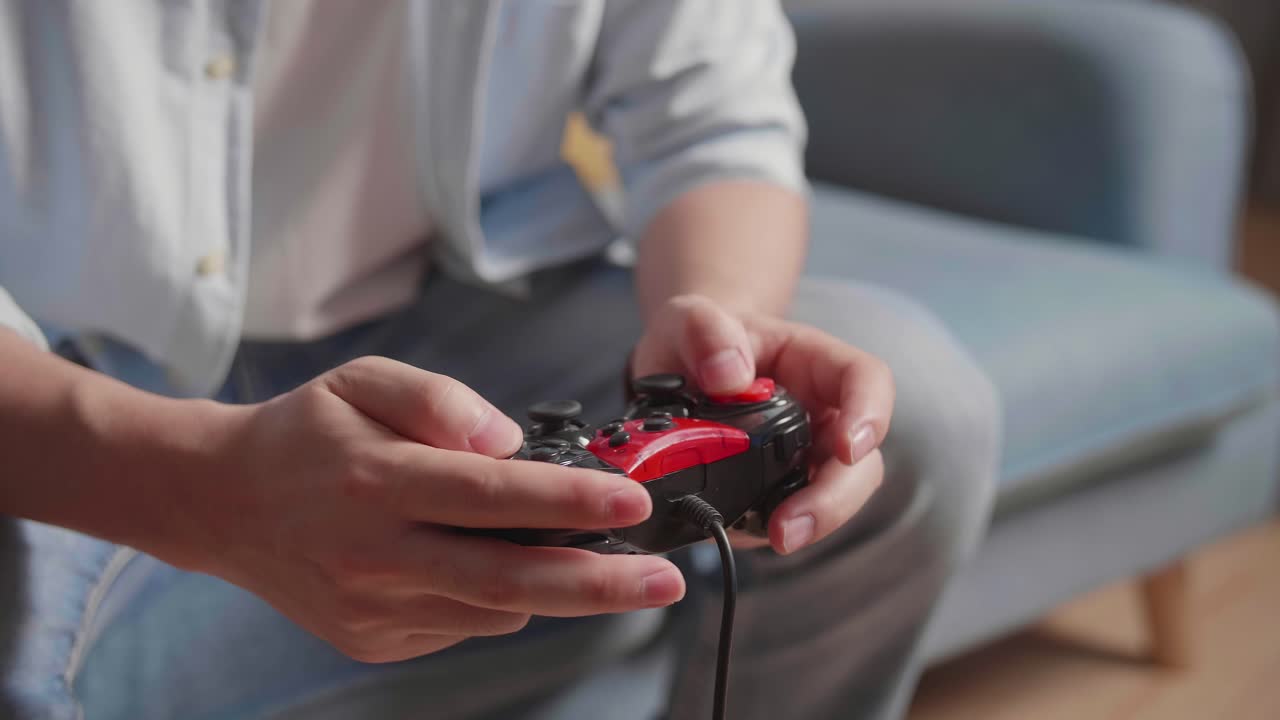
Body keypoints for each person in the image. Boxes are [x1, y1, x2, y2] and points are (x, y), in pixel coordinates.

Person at [0, 2, 999, 719]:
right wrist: (200, 491)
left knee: (895, 424)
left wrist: (715, 340)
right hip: (56, 370)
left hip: (459, 313)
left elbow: (713, 119)